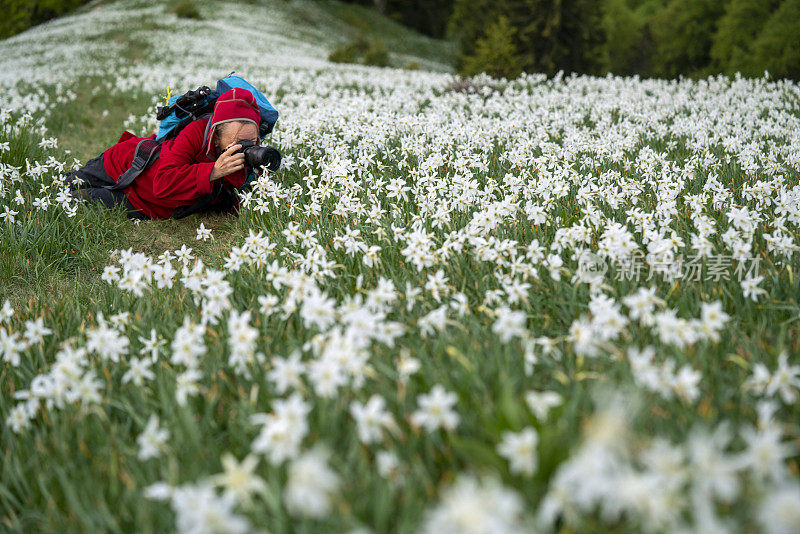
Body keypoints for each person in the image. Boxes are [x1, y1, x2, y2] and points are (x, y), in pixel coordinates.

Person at [65, 87, 263, 220]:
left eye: (251, 141)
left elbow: (235, 197)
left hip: (148, 206)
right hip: (126, 165)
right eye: (237, 142)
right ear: (216, 136)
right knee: (64, 186)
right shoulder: (196, 132)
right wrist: (213, 171)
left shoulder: (253, 154)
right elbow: (163, 182)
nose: (244, 148)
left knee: (82, 198)